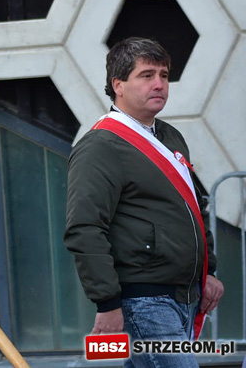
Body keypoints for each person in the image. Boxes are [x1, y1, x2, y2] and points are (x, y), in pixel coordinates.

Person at [64, 37, 225, 367]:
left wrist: (208, 271)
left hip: (183, 295)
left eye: (164, 75)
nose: (159, 84)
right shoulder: (100, 145)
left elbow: (194, 208)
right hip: (144, 300)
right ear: (118, 85)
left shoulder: (170, 136)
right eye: (147, 75)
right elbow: (85, 228)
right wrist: (107, 302)